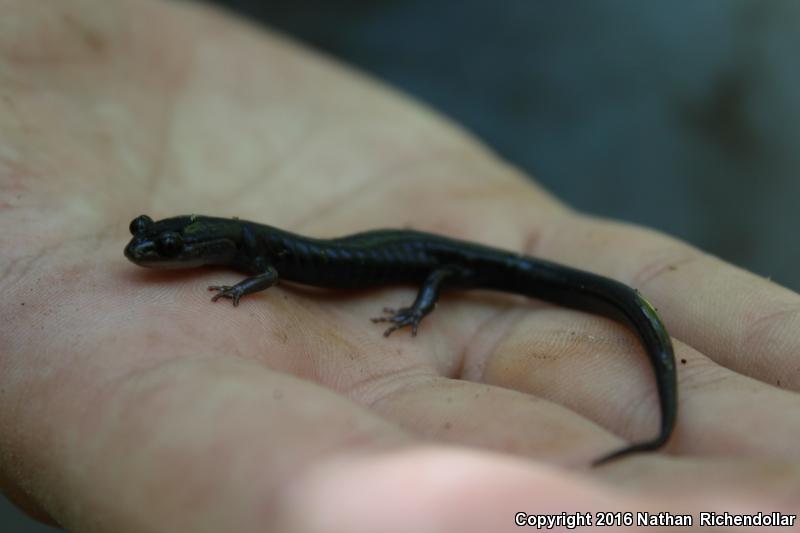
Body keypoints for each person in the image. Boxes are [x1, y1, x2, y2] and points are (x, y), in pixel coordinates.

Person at [1, 1, 798, 530]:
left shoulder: (256, 252)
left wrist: (418, 306)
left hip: (647, 84)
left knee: (606, 287)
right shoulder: (248, 241)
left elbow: (273, 275)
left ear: (205, 239)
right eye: (153, 240)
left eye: (163, 244)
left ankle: (623, 350)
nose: (149, 251)